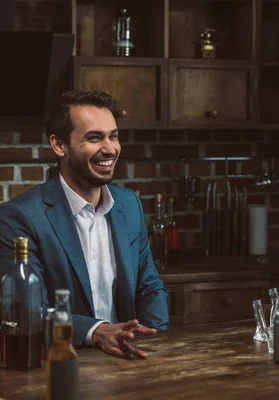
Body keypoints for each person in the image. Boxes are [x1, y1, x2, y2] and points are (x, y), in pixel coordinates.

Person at [0, 90, 169, 360]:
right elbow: (28, 310)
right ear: (59, 145)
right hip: (60, 362)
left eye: (113, 136)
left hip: (128, 361)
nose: (110, 149)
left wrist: (155, 341)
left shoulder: (129, 205)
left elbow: (149, 287)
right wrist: (95, 331)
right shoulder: (19, 217)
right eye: (94, 138)